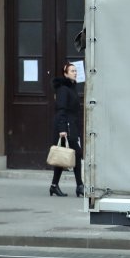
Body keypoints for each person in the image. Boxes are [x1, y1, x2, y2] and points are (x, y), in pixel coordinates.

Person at [50, 62, 84, 198]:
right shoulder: (64, 89)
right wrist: (62, 129)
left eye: (75, 71)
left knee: (63, 156)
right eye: (72, 71)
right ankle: (79, 186)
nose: (75, 73)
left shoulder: (72, 87)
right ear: (65, 74)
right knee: (76, 154)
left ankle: (54, 186)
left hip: (72, 125)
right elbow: (61, 110)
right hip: (66, 127)